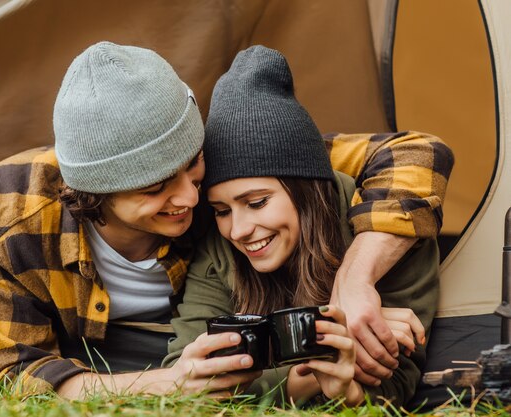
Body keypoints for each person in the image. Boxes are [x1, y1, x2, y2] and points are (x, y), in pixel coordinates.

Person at [0, 42, 452, 400]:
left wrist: (354, 282)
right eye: (155, 189)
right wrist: (174, 382)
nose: (191, 198)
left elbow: (414, 153)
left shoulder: (238, 165)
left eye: (192, 164)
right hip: (139, 366)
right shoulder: (2, 222)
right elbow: (13, 379)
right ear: (93, 195)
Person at [164, 45, 445, 407]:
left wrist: (348, 390)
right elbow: (187, 373)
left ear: (305, 191)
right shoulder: (218, 245)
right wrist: (321, 351)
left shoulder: (389, 235)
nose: (238, 230)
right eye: (221, 210)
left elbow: (395, 384)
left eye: (257, 202)